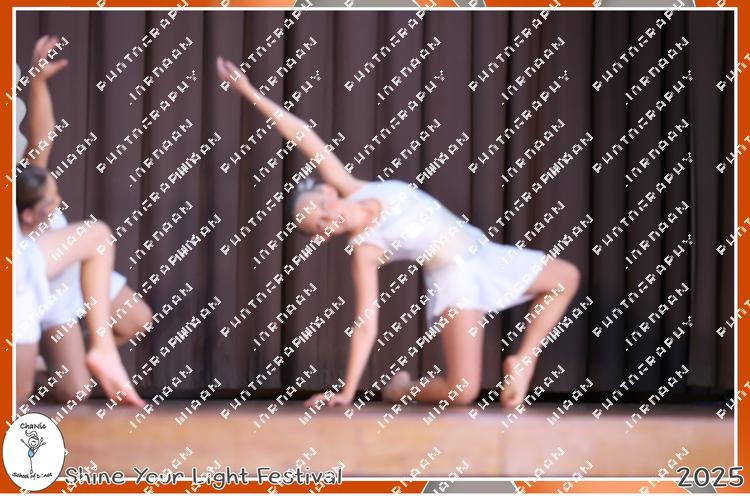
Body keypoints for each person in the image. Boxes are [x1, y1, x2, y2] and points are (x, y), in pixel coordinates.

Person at [216, 56, 580, 409]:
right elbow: (365, 324)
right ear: (322, 237)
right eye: (319, 226)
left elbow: (302, 135)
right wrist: (347, 392)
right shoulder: (366, 250)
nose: (327, 219)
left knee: (565, 277)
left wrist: (249, 91)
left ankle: (525, 359)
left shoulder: (353, 186)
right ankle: (401, 389)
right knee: (463, 391)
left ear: (328, 192)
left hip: (484, 252)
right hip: (456, 280)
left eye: (322, 209)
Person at [14, 36, 147, 409]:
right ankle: (50, 363)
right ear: (27, 215)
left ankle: (83, 352)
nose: (56, 204)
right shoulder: (19, 228)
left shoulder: (31, 181)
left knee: (137, 319)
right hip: (42, 285)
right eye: (49, 203)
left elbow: (42, 138)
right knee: (74, 392)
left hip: (73, 274)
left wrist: (38, 82)